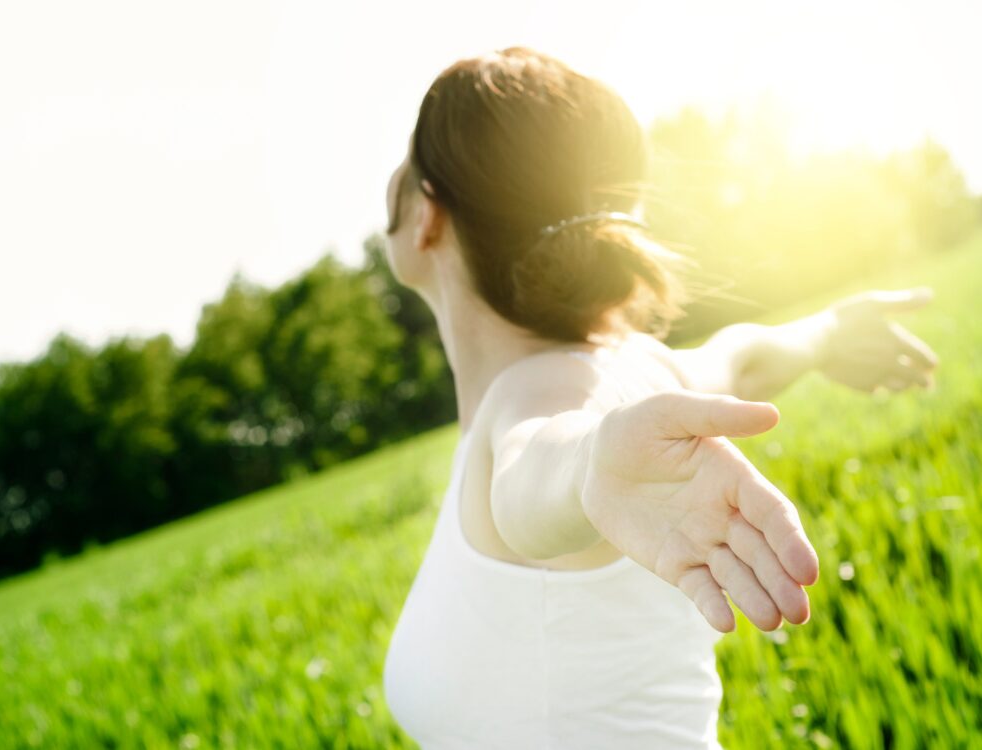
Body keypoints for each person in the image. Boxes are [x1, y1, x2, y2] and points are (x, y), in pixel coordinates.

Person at [380, 47, 939, 750]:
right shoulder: (630, 370)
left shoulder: (539, 397)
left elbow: (535, 467)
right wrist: (827, 333)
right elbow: (742, 360)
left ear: (427, 215)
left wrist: (590, 466)